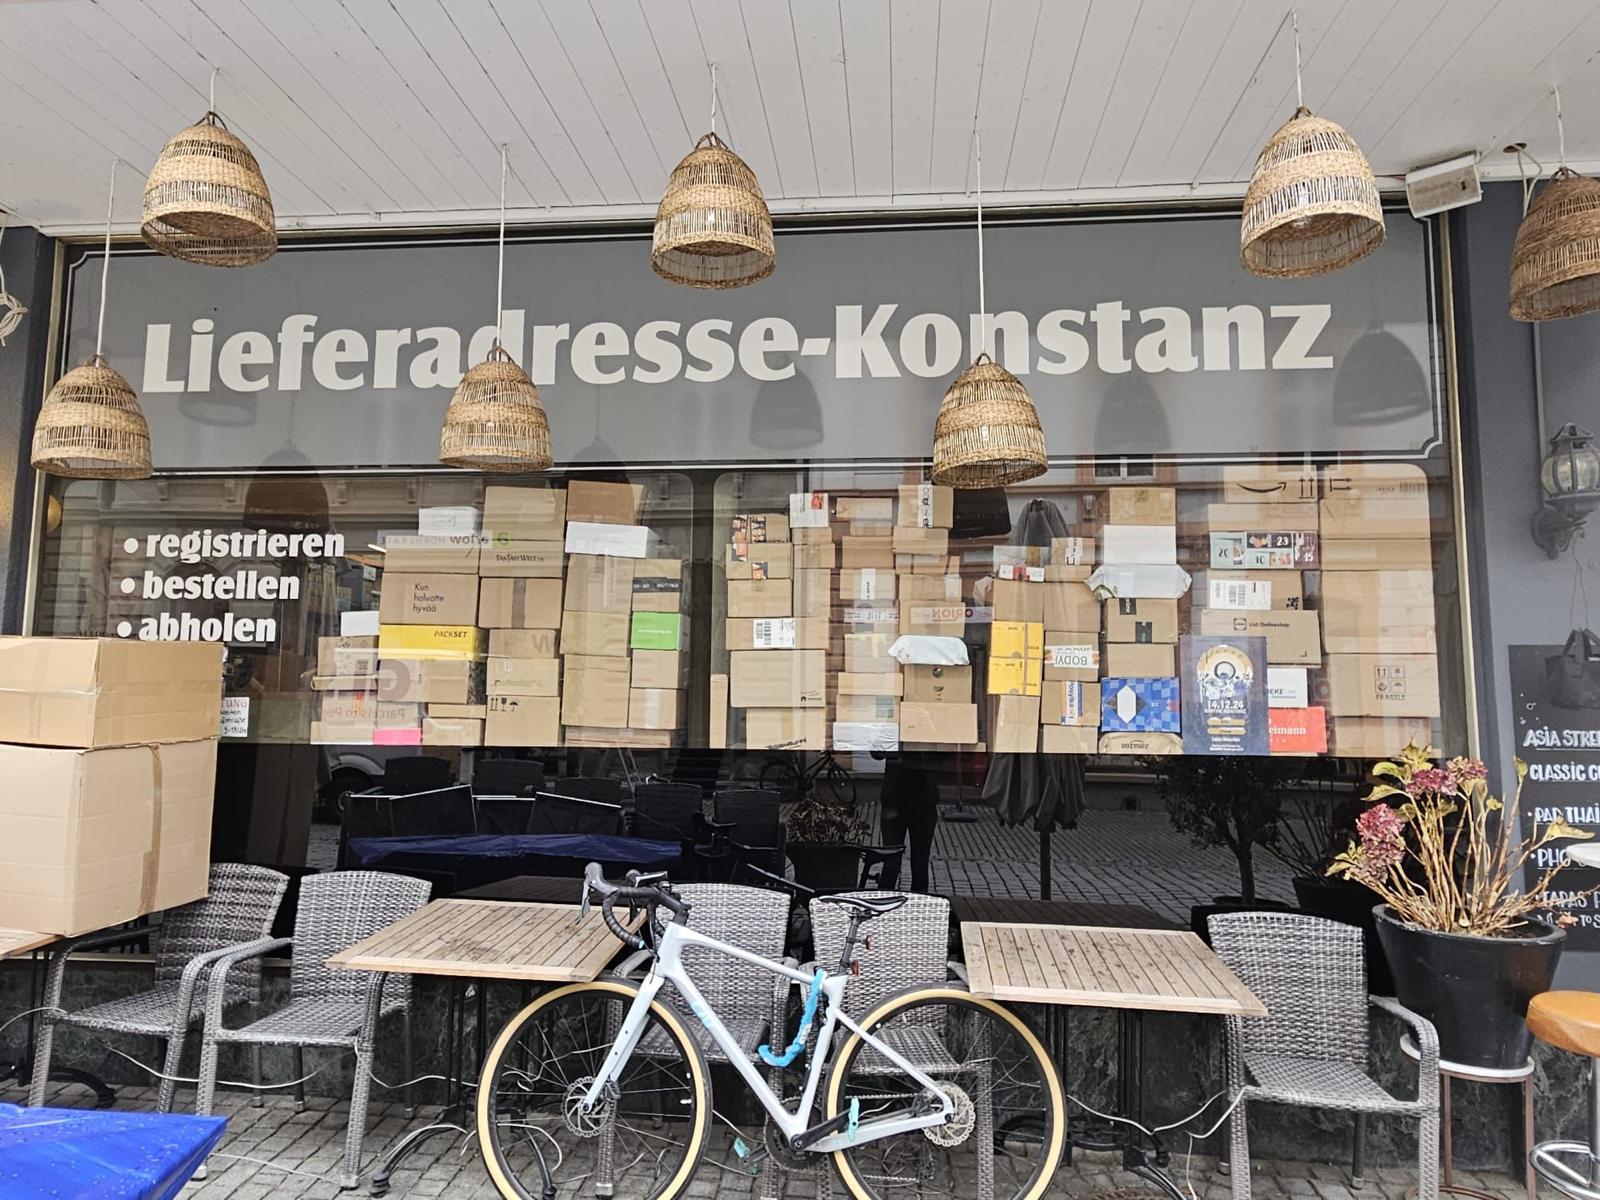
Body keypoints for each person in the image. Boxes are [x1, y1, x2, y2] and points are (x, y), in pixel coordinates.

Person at [877, 751, 942, 893]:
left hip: (922, 798)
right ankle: (884, 901)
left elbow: (945, 755)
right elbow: (876, 752)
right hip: (895, 798)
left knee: (920, 864)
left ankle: (917, 902)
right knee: (891, 862)